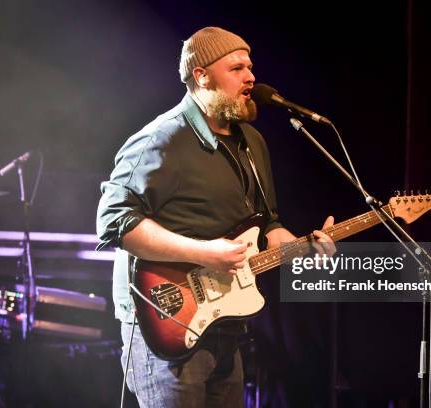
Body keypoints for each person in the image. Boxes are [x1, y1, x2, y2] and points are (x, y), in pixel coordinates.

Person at [96, 26, 335, 408]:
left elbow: (266, 222)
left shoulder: (252, 142)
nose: (251, 76)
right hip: (166, 323)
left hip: (226, 326)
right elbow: (114, 221)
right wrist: (205, 252)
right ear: (201, 76)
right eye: (237, 68)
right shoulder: (162, 138)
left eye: (250, 66)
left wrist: (297, 245)